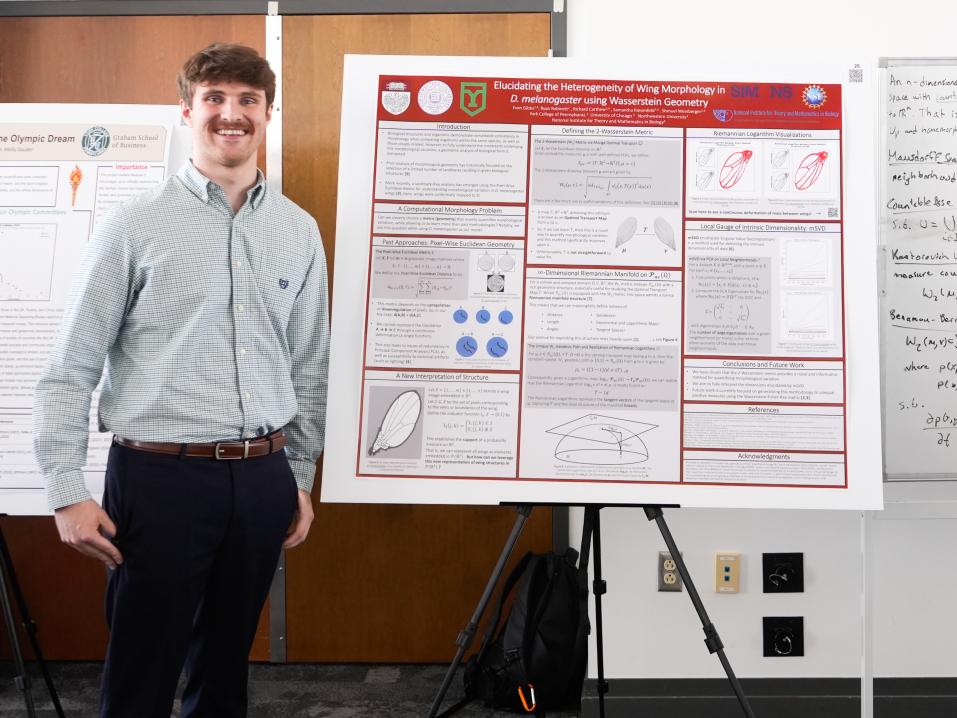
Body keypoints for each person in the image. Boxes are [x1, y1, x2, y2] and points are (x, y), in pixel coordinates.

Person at [33, 43, 329, 717]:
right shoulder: (134, 226)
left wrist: (299, 478)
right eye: (215, 98)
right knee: (143, 667)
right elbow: (69, 368)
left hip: (261, 478)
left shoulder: (297, 232)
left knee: (225, 672)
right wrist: (65, 491)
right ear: (186, 112)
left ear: (268, 114)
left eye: (248, 100)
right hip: (159, 480)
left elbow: (309, 368)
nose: (233, 114)